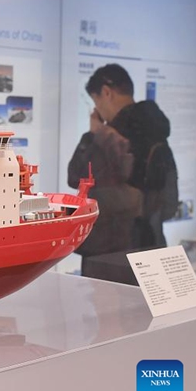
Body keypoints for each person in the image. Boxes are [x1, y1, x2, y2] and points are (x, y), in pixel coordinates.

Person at [68, 63, 177, 278]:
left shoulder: (107, 137)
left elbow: (75, 176)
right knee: (144, 311)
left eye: (96, 101)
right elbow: (169, 205)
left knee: (107, 311)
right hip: (150, 246)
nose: (96, 110)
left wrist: (94, 135)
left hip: (109, 256)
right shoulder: (157, 134)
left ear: (107, 92)